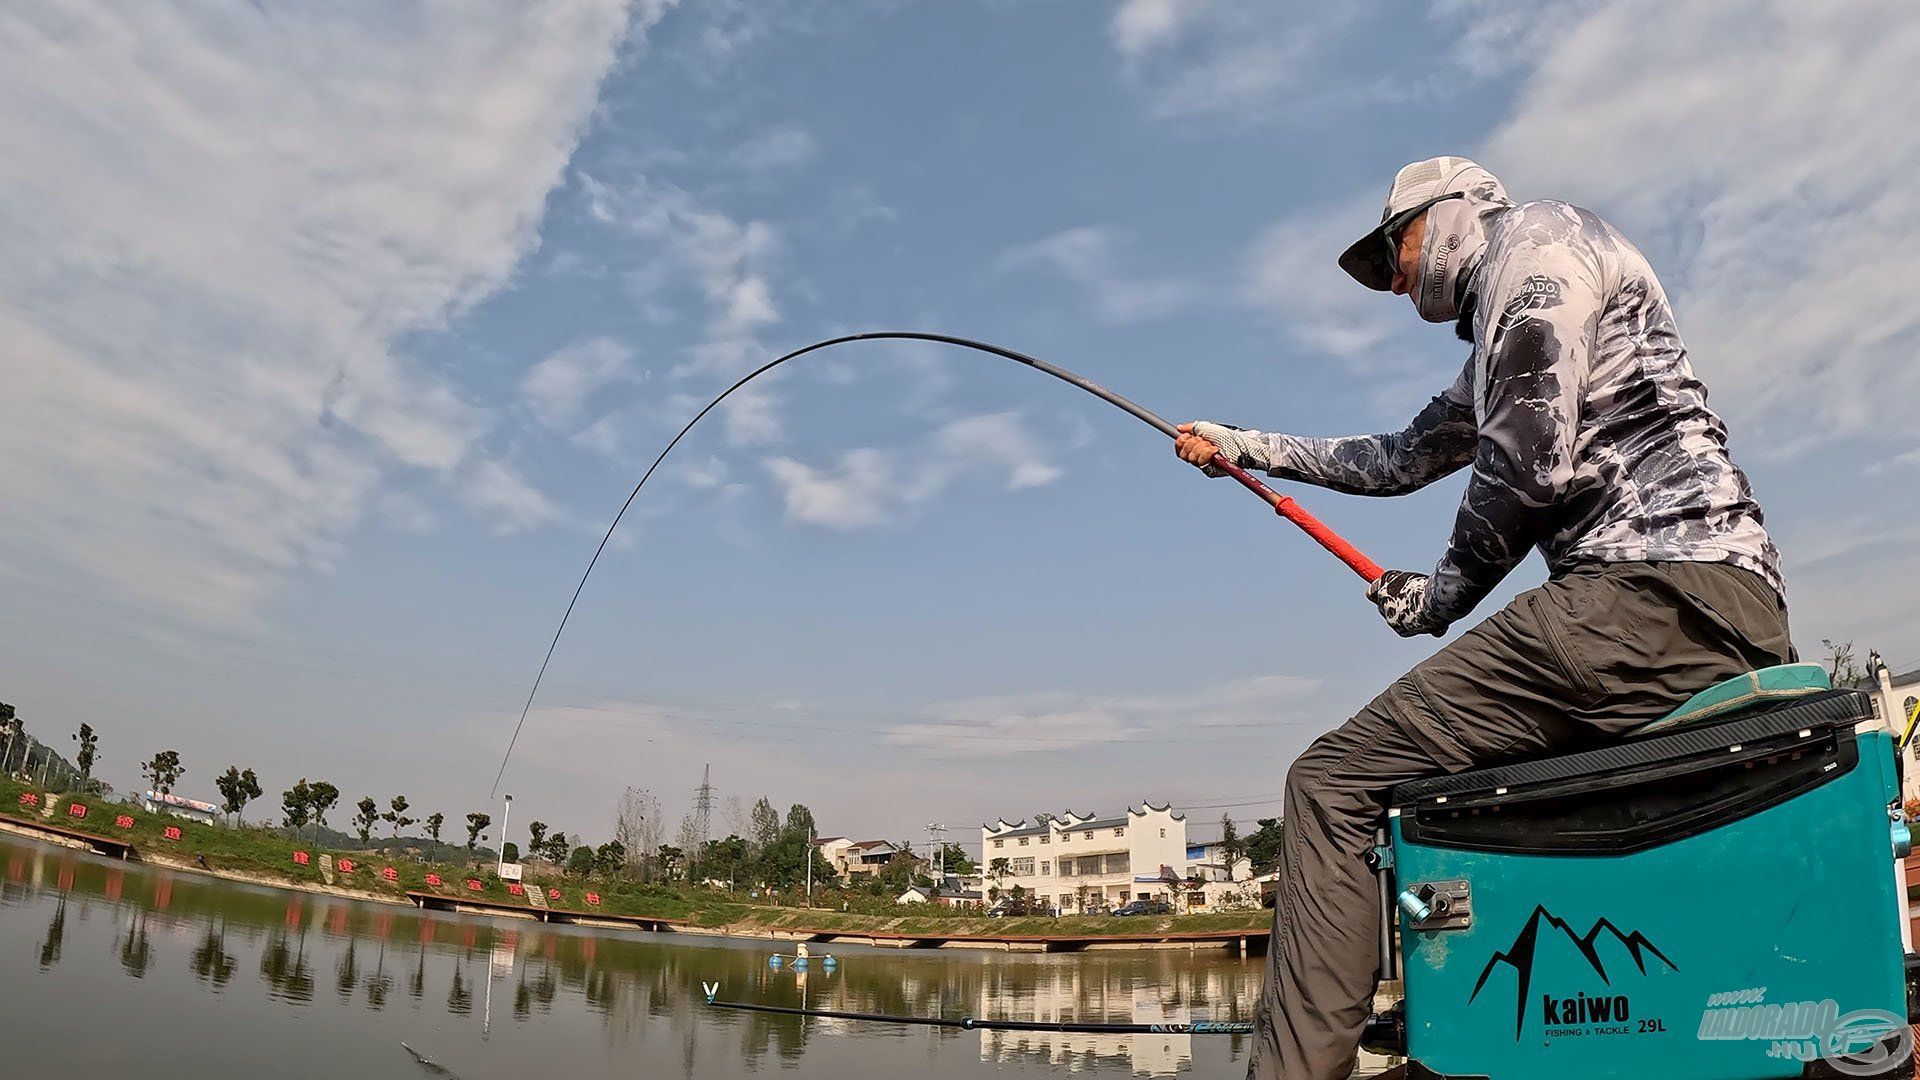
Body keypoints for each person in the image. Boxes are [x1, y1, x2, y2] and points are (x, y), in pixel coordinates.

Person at [1175, 157, 1790, 1080]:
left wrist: (1438, 599)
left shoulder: (1538, 247)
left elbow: (1529, 458)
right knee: (1458, 805)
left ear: (1454, 213)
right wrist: (1243, 448)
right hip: (1695, 606)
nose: (1392, 277)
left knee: (1331, 782)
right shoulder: (1499, 326)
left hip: (1650, 598)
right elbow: (1397, 457)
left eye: (1394, 248)